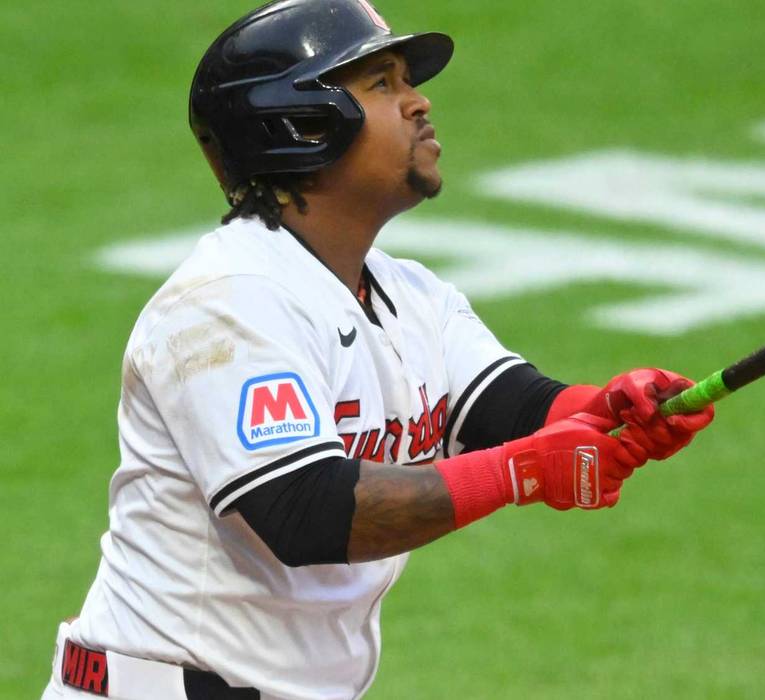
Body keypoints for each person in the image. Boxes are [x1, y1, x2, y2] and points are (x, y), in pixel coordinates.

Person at [41, 1, 714, 698]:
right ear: (301, 127)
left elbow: (511, 407)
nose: (420, 103)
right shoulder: (227, 302)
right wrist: (525, 472)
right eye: (383, 84)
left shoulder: (407, 293)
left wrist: (613, 409)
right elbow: (307, 512)